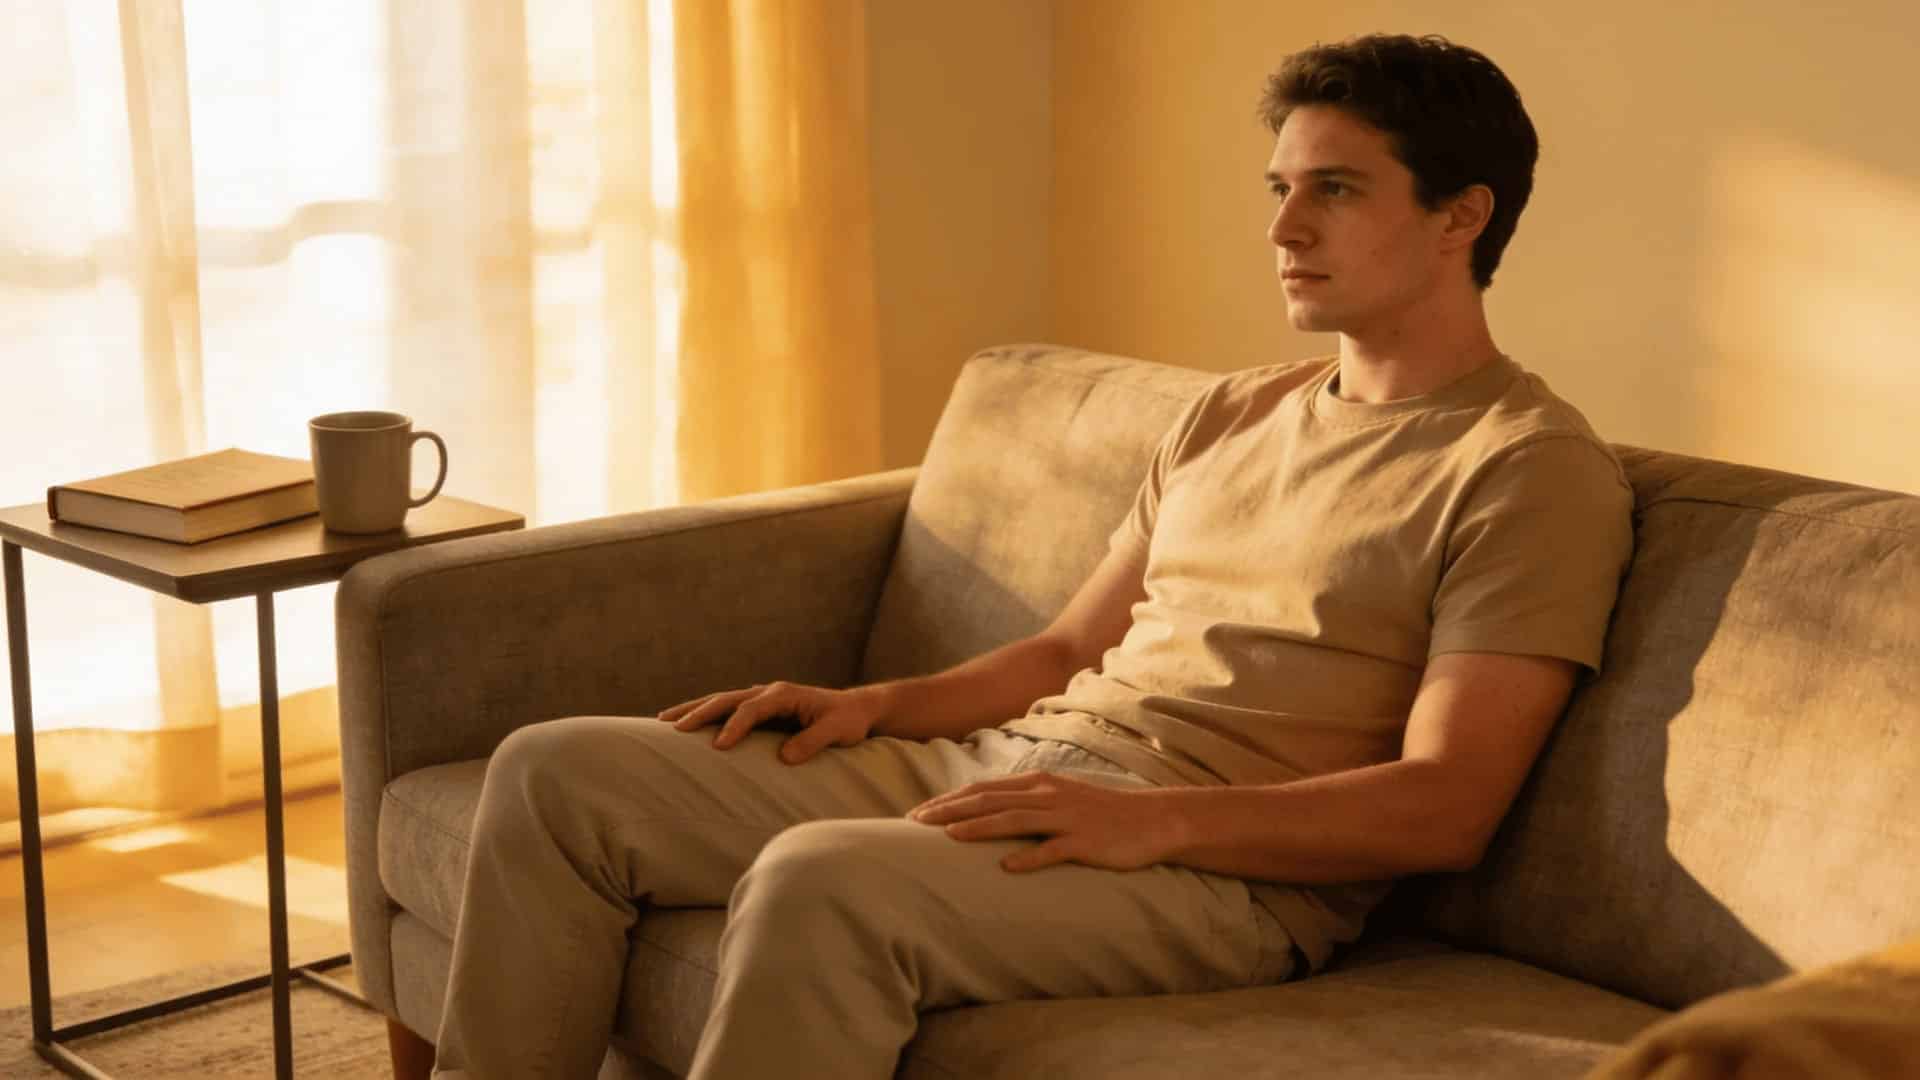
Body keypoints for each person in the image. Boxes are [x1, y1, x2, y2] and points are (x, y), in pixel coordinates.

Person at [428, 32, 1635, 1080]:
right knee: (556, 775)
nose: (1282, 227)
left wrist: (1150, 828)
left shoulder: (1525, 467)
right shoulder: (1236, 410)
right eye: (1277, 186)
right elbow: (1069, 647)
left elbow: (1445, 807)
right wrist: (873, 707)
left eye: (1335, 189)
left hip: (1220, 869)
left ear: (1460, 216)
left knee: (822, 881)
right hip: (1018, 769)